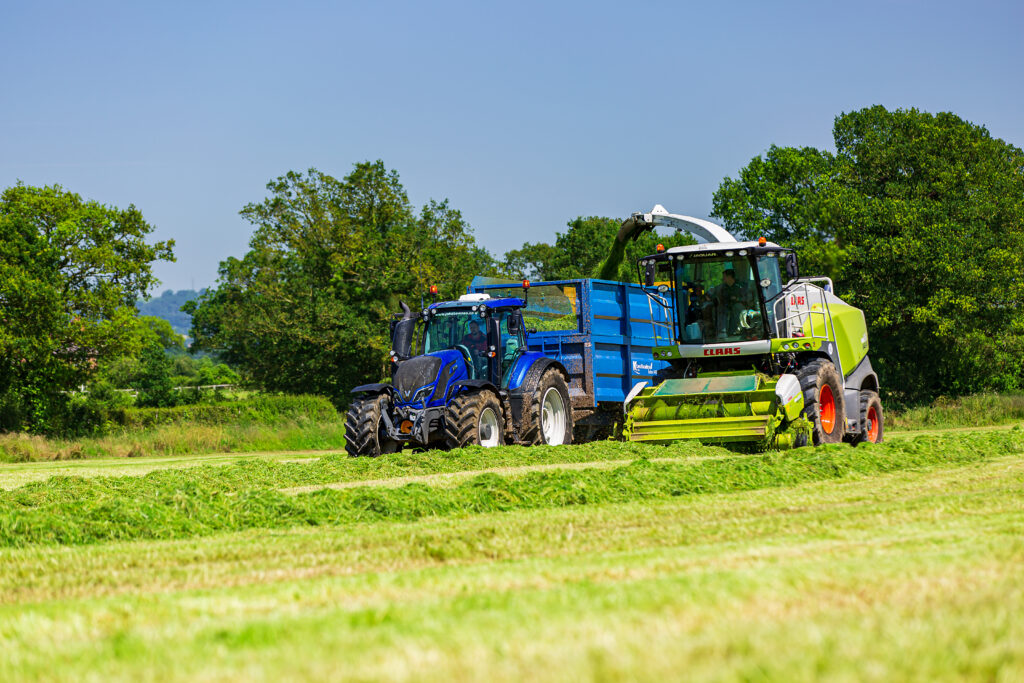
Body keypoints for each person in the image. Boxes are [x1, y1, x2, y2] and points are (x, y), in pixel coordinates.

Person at [715, 269, 751, 337]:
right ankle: (721, 332)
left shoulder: (741, 286)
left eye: (724, 277)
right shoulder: (723, 287)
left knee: (737, 307)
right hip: (726, 307)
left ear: (729, 277)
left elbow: (747, 299)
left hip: (739, 307)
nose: (723, 279)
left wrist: (737, 299)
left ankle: (738, 331)